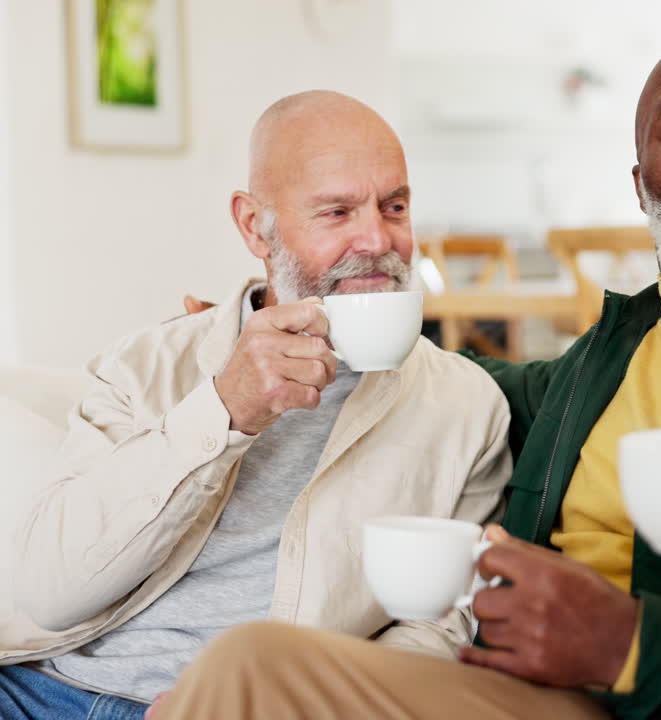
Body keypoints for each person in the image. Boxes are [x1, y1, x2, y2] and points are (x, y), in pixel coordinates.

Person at [153, 32, 661, 720]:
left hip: (656, 700)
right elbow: (437, 375)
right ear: (642, 189)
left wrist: (630, 644)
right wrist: (257, 324)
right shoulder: (595, 367)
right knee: (245, 663)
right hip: (515, 686)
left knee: (250, 673)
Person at [0, 91, 511, 720]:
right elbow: (50, 589)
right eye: (336, 211)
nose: (377, 238)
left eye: (394, 206)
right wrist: (223, 410)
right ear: (253, 227)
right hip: (38, 689)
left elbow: (438, 629)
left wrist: (273, 701)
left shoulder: (465, 407)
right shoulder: (148, 363)